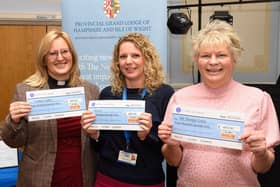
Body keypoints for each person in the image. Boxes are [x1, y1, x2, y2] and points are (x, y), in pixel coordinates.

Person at [158, 20, 280, 187]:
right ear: (196, 60)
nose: (213, 62)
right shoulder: (180, 98)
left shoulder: (258, 99)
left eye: (221, 55)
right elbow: (174, 161)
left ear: (234, 59)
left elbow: (263, 167)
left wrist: (260, 153)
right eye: (205, 55)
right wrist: (170, 145)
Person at [1, 30, 99, 187]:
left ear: (72, 55)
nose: (60, 58)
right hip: (39, 177)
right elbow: (12, 141)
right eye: (52, 53)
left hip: (82, 176)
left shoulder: (90, 91)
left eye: (64, 51)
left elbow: (98, 139)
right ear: (44, 59)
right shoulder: (26, 91)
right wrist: (13, 120)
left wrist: (97, 135)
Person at [81, 32, 175, 187]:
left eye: (135, 55)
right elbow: (100, 146)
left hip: (147, 180)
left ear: (147, 58)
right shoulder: (107, 94)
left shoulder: (164, 94)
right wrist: (94, 135)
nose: (128, 62)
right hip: (108, 177)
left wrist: (147, 135)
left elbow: (169, 147)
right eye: (123, 56)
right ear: (117, 62)